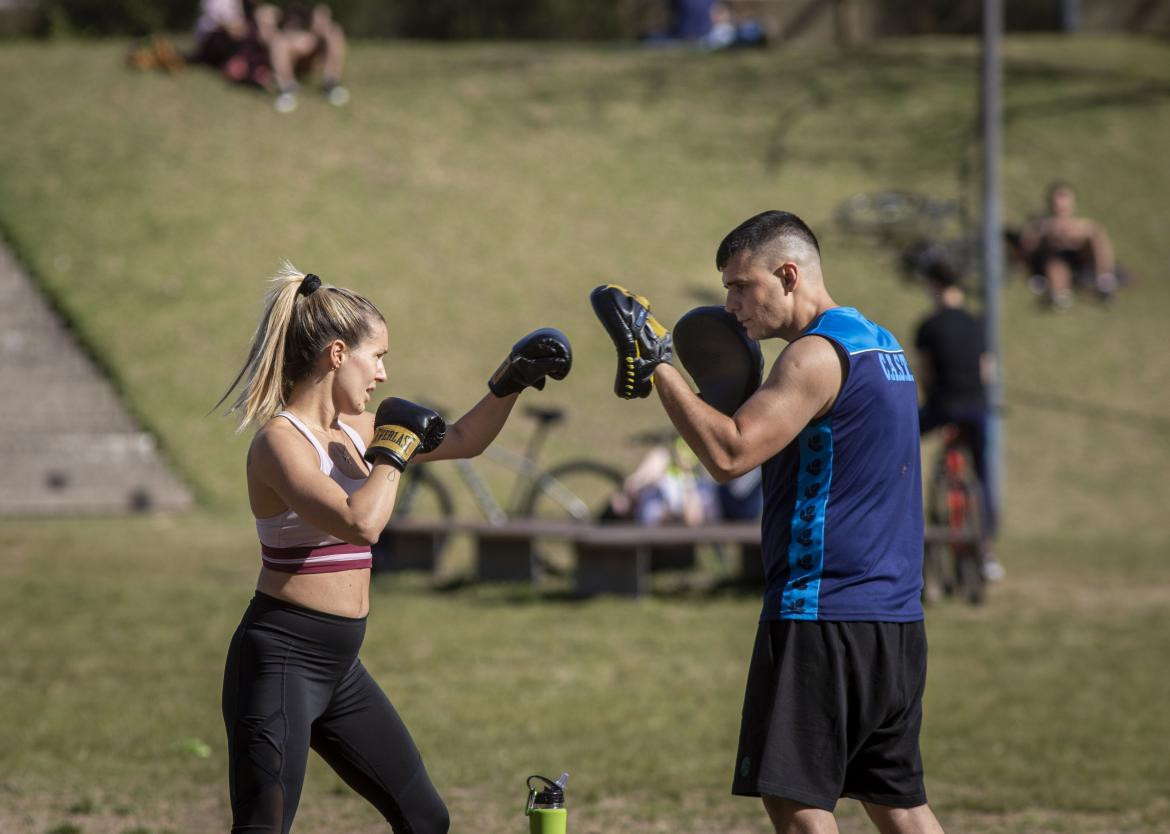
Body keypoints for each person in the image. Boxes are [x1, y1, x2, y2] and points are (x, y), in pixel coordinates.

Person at [592, 211, 945, 834]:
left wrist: (659, 367)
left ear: (787, 275)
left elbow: (729, 455)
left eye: (739, 285)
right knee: (897, 803)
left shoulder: (813, 357)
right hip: (893, 619)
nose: (730, 306)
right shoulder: (879, 343)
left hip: (822, 612)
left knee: (796, 801)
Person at [214, 265, 570, 833]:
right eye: (376, 356)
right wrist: (394, 452)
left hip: (340, 667)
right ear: (336, 354)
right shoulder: (280, 443)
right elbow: (361, 524)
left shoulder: (360, 428)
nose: (383, 373)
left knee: (425, 819)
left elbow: (465, 440)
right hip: (281, 659)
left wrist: (510, 381)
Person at [913, 260, 1001, 580]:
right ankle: (988, 548)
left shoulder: (929, 325)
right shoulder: (976, 323)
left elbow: (926, 373)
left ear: (934, 285)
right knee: (982, 474)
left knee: (902, 441)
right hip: (976, 407)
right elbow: (986, 370)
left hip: (943, 407)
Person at [191, 0, 349, 112]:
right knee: (280, 43)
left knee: (333, 31)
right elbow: (266, 34)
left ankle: (331, 83)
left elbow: (322, 16)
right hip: (287, 48)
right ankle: (286, 89)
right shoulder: (270, 8)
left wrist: (318, 26)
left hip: (309, 45)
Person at [1017, 181, 1118, 308]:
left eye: (1065, 204)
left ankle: (1104, 281)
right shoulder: (1041, 225)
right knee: (1056, 264)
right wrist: (1046, 232)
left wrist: (1076, 233)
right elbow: (1027, 246)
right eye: (1058, 205)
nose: (1062, 209)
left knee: (1096, 236)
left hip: (1079, 259)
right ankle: (1060, 295)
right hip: (1053, 260)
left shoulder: (1083, 225)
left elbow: (1094, 232)